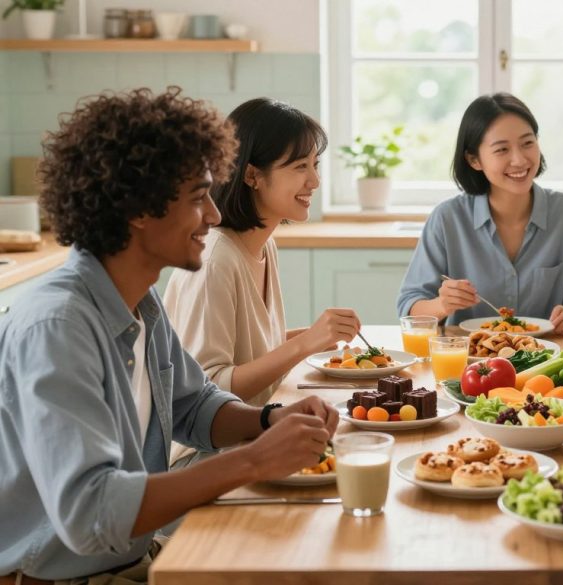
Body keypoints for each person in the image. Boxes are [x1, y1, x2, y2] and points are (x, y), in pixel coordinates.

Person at [0, 88, 339, 583]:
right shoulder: (59, 327)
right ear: (140, 208)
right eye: (199, 198)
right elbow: (92, 513)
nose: (216, 216)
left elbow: (192, 405)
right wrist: (254, 460)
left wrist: (270, 419)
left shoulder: (139, 300)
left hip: (130, 561)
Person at [162, 98, 361, 414]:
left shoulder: (263, 245)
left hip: (255, 430)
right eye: (300, 167)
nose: (315, 181)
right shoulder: (214, 261)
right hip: (205, 452)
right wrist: (304, 343)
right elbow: (208, 388)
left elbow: (247, 353)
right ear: (252, 176)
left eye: (315, 164)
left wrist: (315, 336)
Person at [397, 92, 563, 333]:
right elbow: (409, 307)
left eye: (528, 143)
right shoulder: (447, 219)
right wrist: (441, 305)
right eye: (501, 150)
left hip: (548, 362)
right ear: (474, 159)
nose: (519, 160)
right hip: (470, 362)